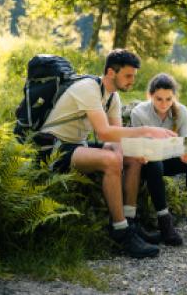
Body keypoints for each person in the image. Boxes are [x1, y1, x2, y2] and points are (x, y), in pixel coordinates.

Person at [35, 49, 176, 259]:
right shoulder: (87, 88)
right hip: (52, 149)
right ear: (111, 72)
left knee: (133, 158)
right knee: (110, 161)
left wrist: (127, 152)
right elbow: (103, 132)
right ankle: (120, 231)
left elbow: (115, 137)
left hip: (76, 146)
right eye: (128, 76)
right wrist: (147, 130)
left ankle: (130, 221)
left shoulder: (113, 97)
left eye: (134, 76)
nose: (132, 81)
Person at [130, 73, 187, 246]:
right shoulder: (139, 113)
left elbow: (185, 142)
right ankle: (164, 221)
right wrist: (141, 154)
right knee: (155, 165)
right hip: (149, 162)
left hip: (170, 158)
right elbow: (139, 145)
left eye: (168, 99)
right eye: (159, 99)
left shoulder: (182, 112)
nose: (164, 104)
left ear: (174, 97)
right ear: (150, 96)